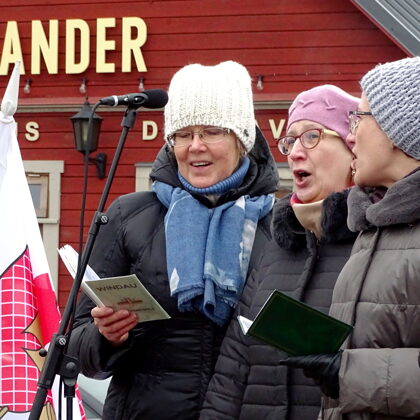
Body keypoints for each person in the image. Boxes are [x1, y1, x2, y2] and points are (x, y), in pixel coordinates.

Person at [68, 60, 279, 420]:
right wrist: (106, 337)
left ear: (242, 139)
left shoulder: (280, 225)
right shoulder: (129, 217)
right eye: (183, 134)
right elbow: (76, 345)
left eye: (211, 131)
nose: (195, 146)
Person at [201, 84, 359, 419]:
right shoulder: (276, 249)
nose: (295, 152)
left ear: (353, 149)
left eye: (312, 136)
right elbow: (232, 372)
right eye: (290, 140)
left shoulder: (378, 243)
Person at [280, 56, 420, 419]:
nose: (351, 135)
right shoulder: (372, 223)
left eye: (360, 119)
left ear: (397, 128)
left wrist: (350, 373)